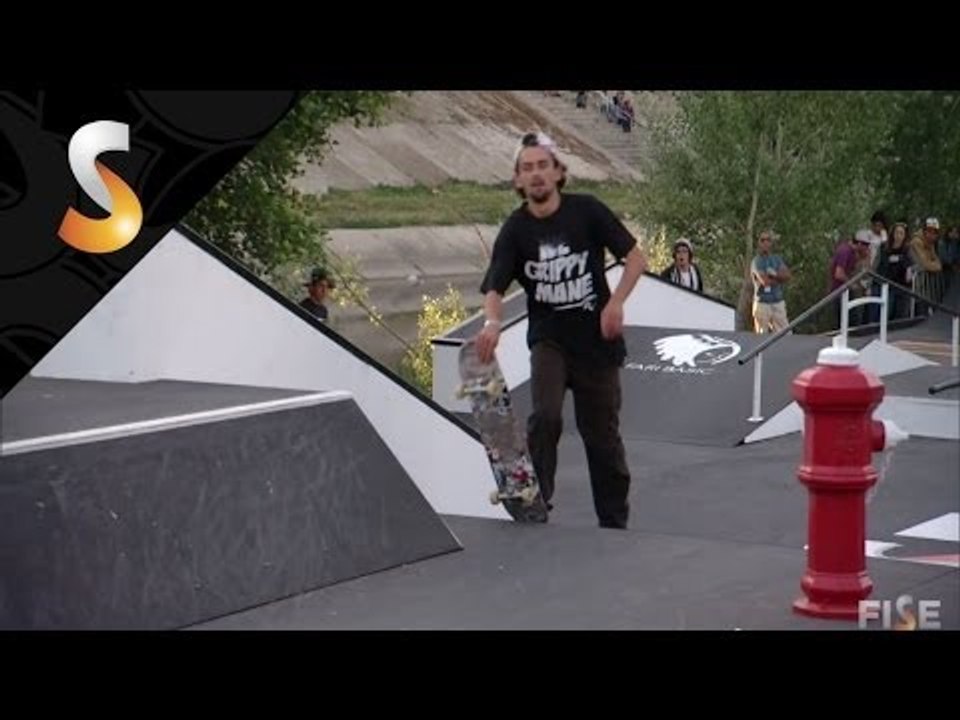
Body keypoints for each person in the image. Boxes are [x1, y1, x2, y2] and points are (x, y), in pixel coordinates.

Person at [475, 131, 647, 529]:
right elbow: (494, 288)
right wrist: (491, 323)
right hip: (550, 340)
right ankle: (537, 501)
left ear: (558, 173)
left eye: (542, 166)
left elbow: (636, 259)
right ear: (518, 180)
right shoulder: (516, 230)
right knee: (546, 416)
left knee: (602, 439)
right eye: (527, 169)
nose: (536, 175)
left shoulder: (586, 212)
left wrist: (616, 301)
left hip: (596, 344)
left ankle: (614, 521)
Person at [750, 230, 791, 333]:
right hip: (762, 303)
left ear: (771, 243)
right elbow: (765, 282)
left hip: (778, 302)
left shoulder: (777, 259)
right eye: (762, 240)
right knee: (761, 337)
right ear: (759, 243)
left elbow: (787, 275)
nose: (765, 243)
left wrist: (774, 275)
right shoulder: (756, 261)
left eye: (768, 240)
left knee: (785, 335)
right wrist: (780, 279)